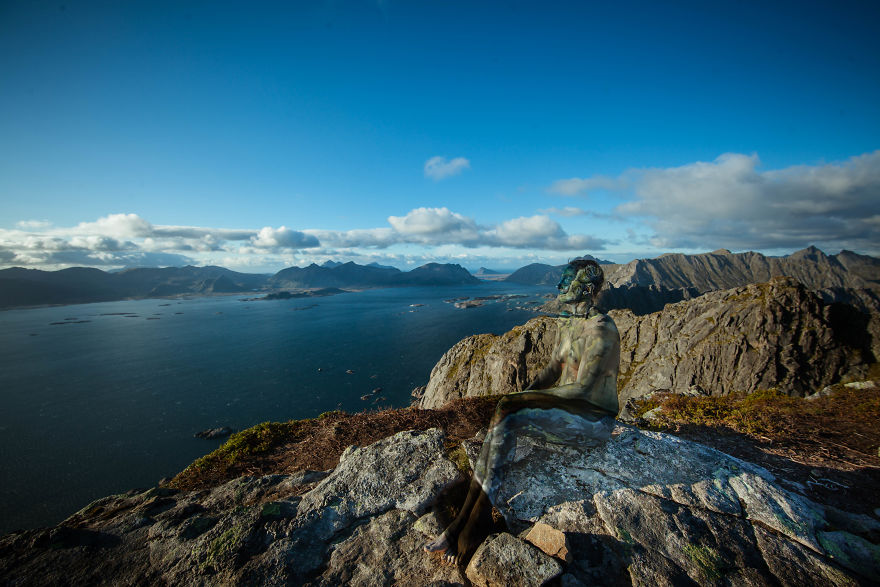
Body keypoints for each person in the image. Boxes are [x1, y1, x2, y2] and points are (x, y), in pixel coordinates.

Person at [424, 258, 620, 564]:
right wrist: (518, 396)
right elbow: (553, 370)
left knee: (511, 413)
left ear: (588, 288)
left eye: (567, 281)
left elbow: (583, 390)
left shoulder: (601, 328)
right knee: (506, 413)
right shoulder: (569, 324)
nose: (559, 286)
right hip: (569, 412)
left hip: (592, 421)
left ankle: (469, 524)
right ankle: (465, 522)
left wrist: (526, 402)